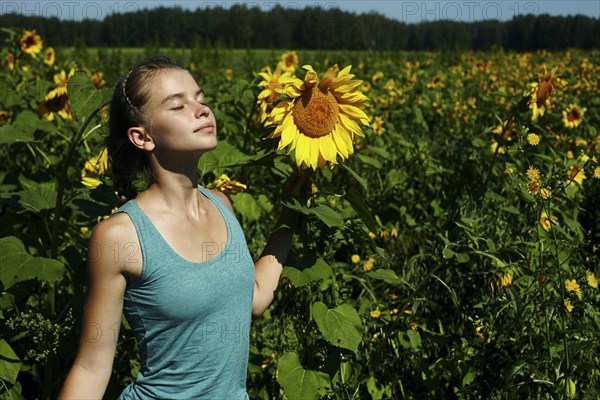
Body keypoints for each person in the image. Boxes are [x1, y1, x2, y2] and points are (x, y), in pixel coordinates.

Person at [59, 56, 305, 399]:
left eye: (201, 99)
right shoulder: (121, 235)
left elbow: (255, 296)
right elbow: (91, 368)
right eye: (178, 105)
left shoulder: (222, 205)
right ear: (142, 137)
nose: (201, 110)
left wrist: (291, 212)